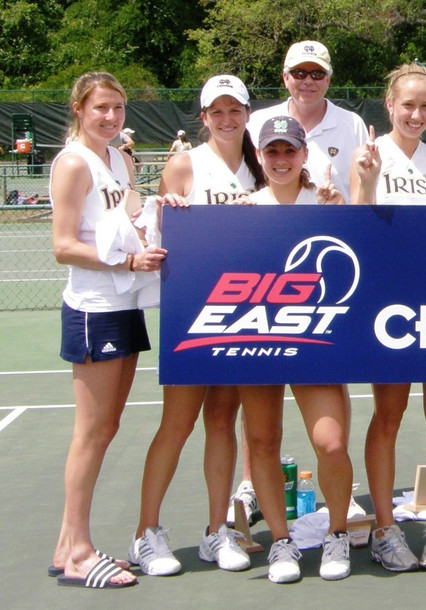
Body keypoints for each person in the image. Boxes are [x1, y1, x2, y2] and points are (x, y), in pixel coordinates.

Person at [129, 74, 265, 577]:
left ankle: (216, 530)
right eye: (217, 111)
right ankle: (145, 533)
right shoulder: (184, 164)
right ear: (204, 117)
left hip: (244, 312)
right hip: (192, 312)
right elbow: (160, 233)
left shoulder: (261, 165)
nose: (227, 119)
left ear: (247, 113)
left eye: (235, 110)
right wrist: (170, 212)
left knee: (222, 421)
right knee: (178, 423)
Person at [48, 71, 166, 589]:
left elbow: (133, 218)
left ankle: (65, 547)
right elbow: (63, 246)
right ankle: (78, 553)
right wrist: (127, 262)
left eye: (118, 108)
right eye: (101, 108)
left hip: (126, 303)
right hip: (94, 308)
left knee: (108, 426)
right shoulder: (73, 163)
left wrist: (160, 214)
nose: (111, 117)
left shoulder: (121, 160)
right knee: (91, 432)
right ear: (79, 109)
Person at [350, 63, 426, 572]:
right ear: (389, 105)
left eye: (425, 106)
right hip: (387, 303)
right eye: (407, 105)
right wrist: (367, 182)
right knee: (388, 415)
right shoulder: (369, 155)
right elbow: (358, 226)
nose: (416, 114)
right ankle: (385, 529)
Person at [235, 114, 352, 584]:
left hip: (314, 340)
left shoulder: (325, 202)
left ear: (305, 154)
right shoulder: (245, 208)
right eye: (272, 151)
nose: (281, 159)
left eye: (289, 150)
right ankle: (281, 543)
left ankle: (337, 533)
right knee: (263, 443)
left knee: (331, 442)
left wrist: (342, 210)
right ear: (259, 157)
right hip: (257, 340)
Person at [247, 40, 369, 203]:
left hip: (335, 219)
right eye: (299, 73)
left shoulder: (353, 124)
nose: (308, 81)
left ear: (328, 80)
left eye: (317, 74)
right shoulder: (257, 122)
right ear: (285, 78)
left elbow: (364, 190)